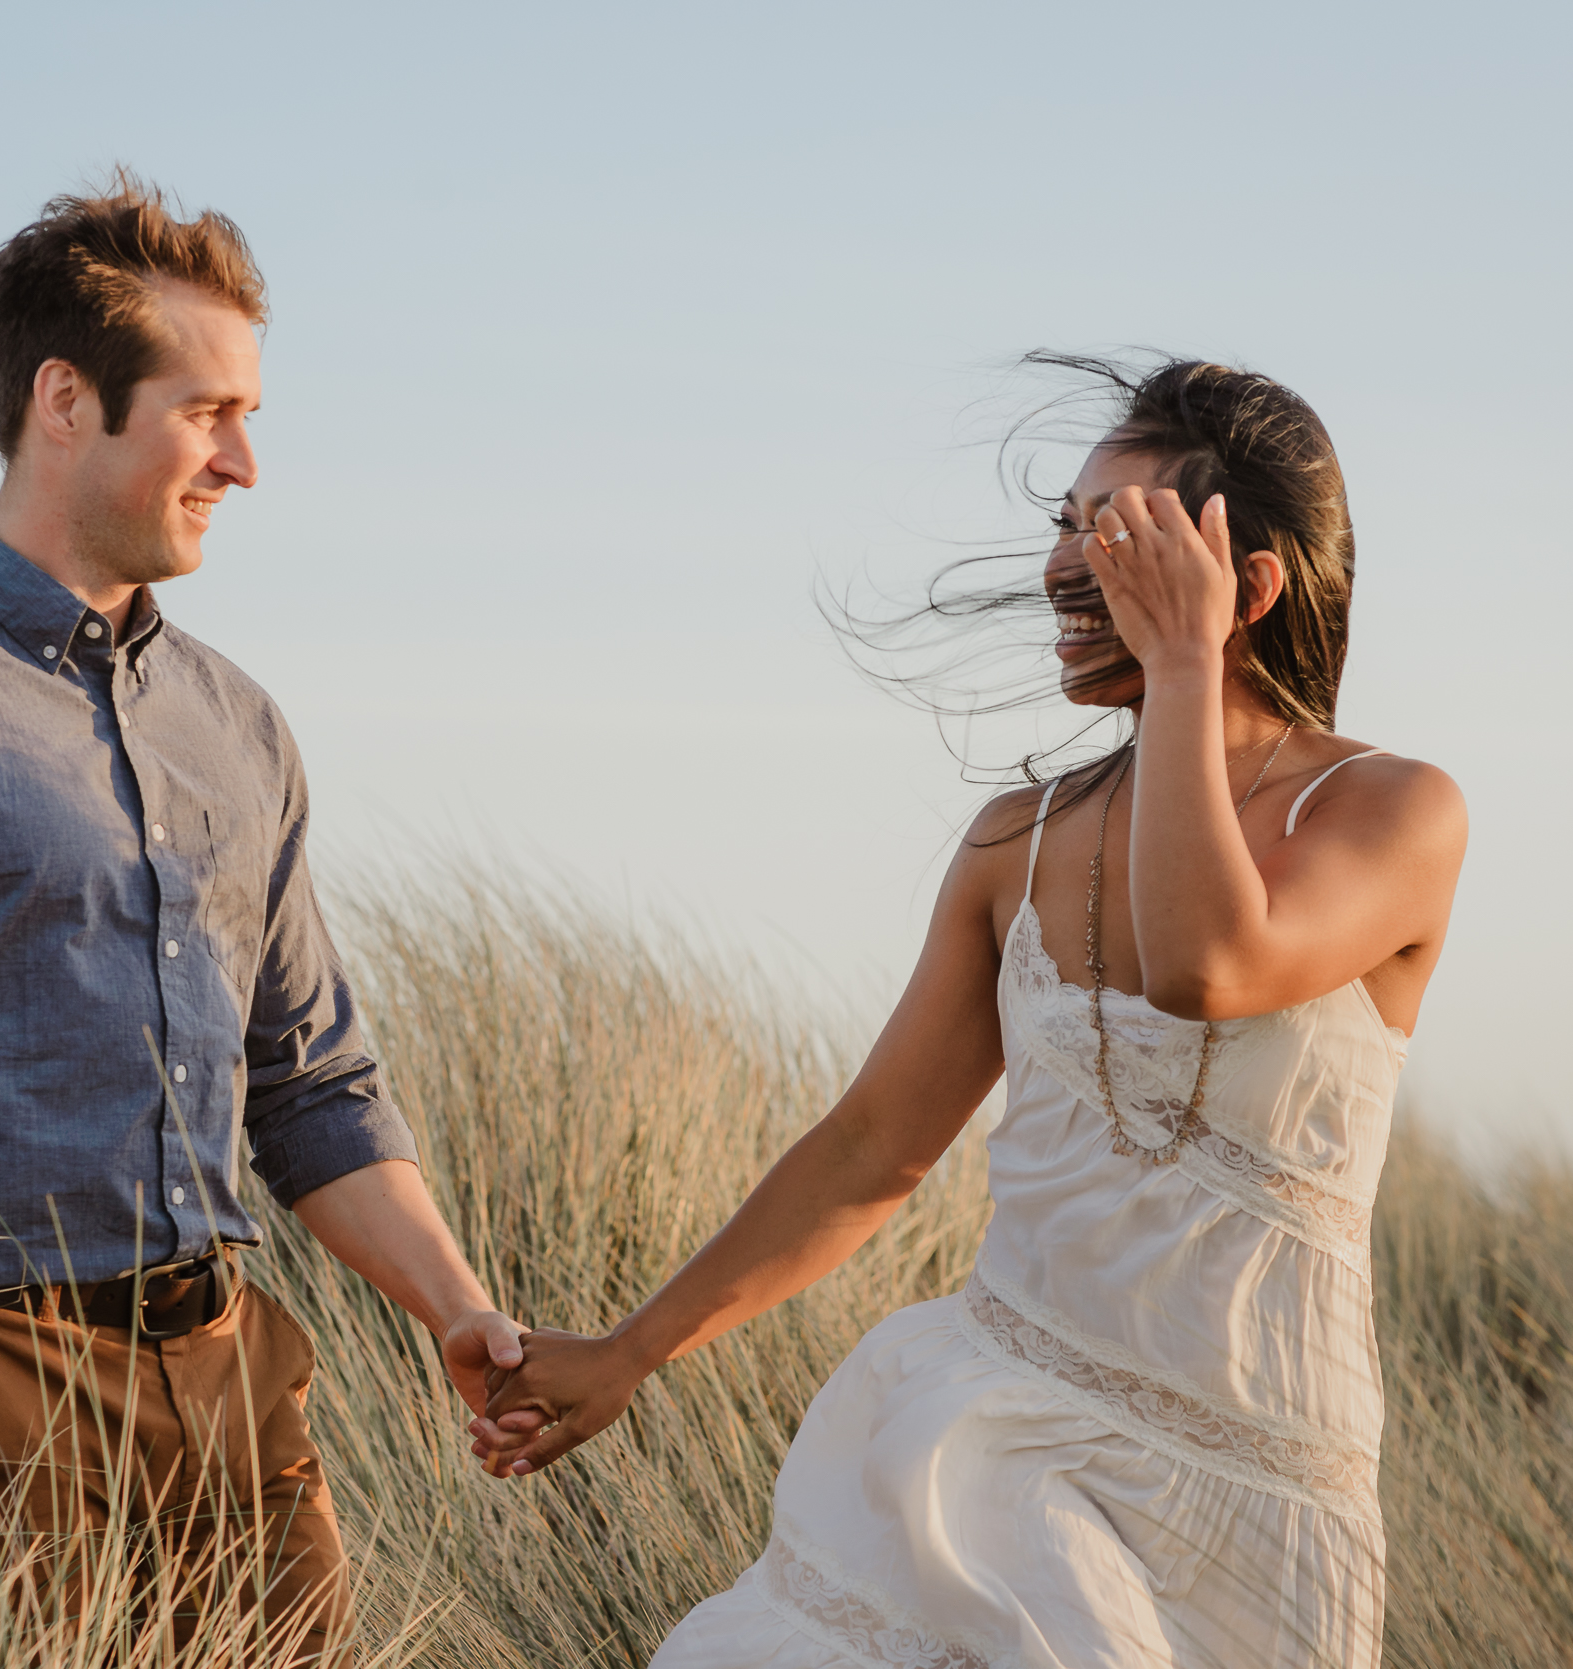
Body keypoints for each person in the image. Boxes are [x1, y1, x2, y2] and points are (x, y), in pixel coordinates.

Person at [469, 359, 1468, 1666]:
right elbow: (874, 1142)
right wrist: (630, 1350)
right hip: (996, 1424)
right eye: (1065, 520)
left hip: (1262, 1482)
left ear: (1250, 588)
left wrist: (1180, 661)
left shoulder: (1394, 810)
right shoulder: (1017, 838)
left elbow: (1209, 965)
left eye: (1114, 535)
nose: (1060, 566)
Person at [0, 176, 525, 1661]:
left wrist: (460, 1312)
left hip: (231, 1372)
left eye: (248, 412)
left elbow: (311, 1083)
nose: (247, 460)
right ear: (65, 399)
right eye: (208, 412)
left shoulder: (240, 725)